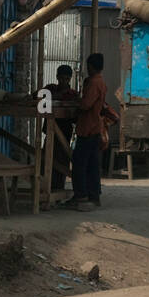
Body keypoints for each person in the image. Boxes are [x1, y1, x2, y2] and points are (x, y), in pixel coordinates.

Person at [65, 53, 113, 210]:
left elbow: (86, 105)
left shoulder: (93, 83)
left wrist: (76, 101)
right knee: (92, 164)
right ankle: (93, 195)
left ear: (91, 66)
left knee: (79, 162)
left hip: (87, 128)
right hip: (95, 128)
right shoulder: (101, 82)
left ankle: (81, 195)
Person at [41, 64, 79, 193]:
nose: (63, 81)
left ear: (70, 79)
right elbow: (37, 96)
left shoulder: (73, 94)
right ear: (57, 77)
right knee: (46, 160)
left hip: (64, 133)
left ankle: (58, 189)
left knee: (61, 161)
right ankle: (45, 188)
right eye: (61, 78)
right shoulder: (50, 89)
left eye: (66, 79)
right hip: (50, 132)